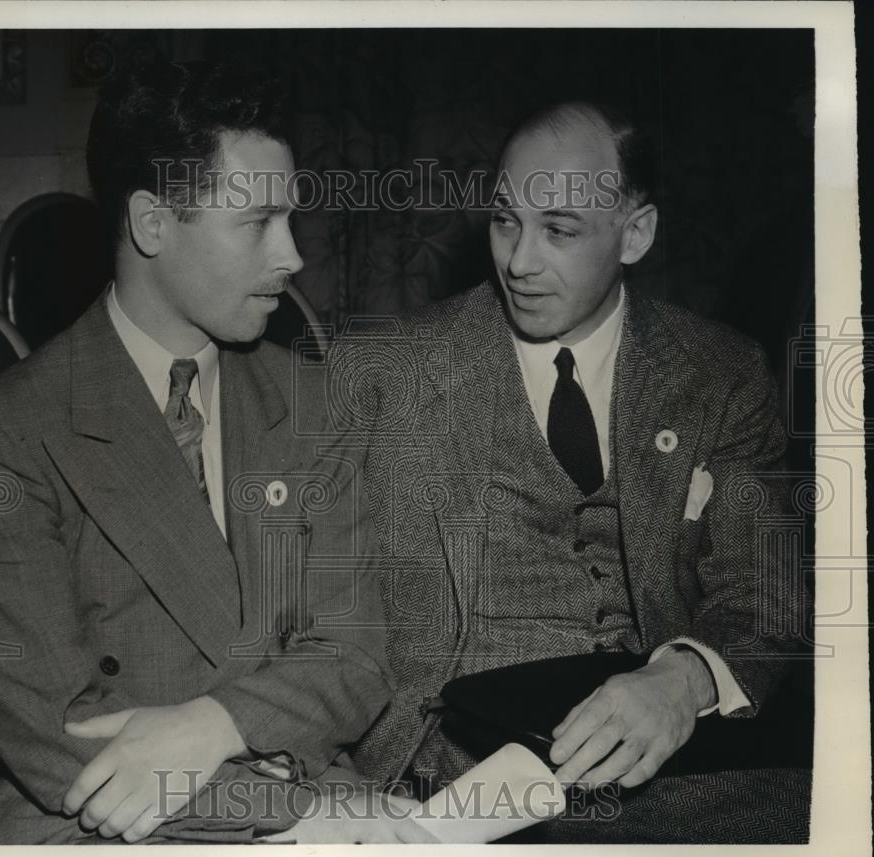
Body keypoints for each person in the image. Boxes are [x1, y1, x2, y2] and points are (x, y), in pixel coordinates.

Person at [0, 60, 431, 845]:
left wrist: (213, 722)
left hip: (299, 779)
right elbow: (59, 735)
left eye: (290, 220)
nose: (293, 255)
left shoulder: (314, 403)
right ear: (152, 224)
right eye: (257, 222)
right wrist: (296, 812)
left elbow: (356, 655)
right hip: (92, 821)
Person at [339, 102, 802, 816]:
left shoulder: (723, 374)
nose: (519, 262)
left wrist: (685, 678)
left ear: (635, 234)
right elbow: (312, 609)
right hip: (447, 773)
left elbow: (765, 592)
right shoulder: (386, 370)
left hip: (678, 772)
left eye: (558, 230)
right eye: (504, 221)